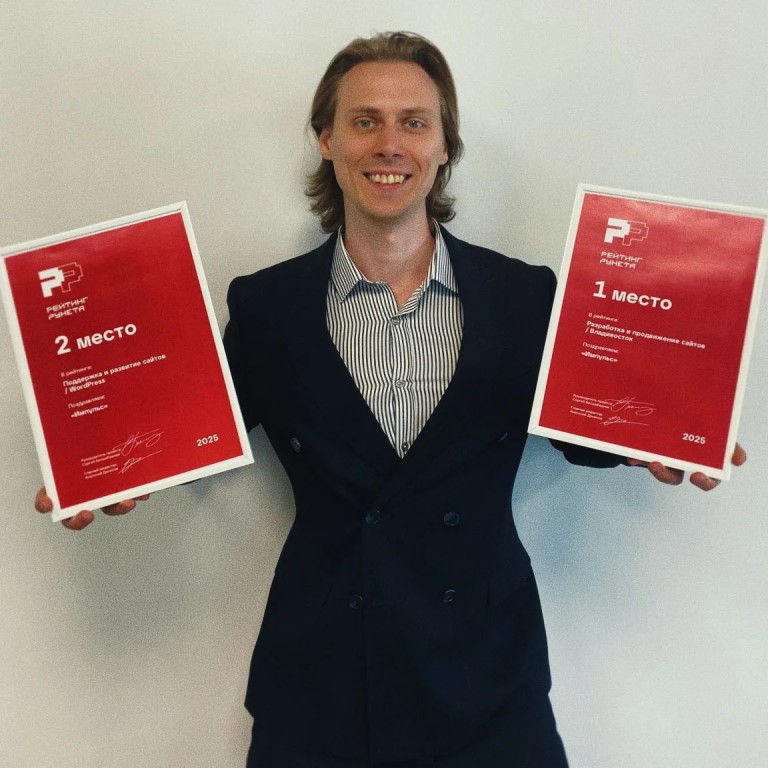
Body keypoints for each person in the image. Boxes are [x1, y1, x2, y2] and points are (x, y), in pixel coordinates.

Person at [35, 31, 746, 768]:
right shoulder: (269, 306)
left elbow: (579, 427)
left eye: (414, 122)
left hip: (485, 671)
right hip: (323, 672)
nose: (389, 144)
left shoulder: (523, 295)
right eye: (365, 120)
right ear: (327, 140)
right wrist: (106, 471)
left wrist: (662, 437)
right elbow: (195, 429)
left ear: (444, 146)